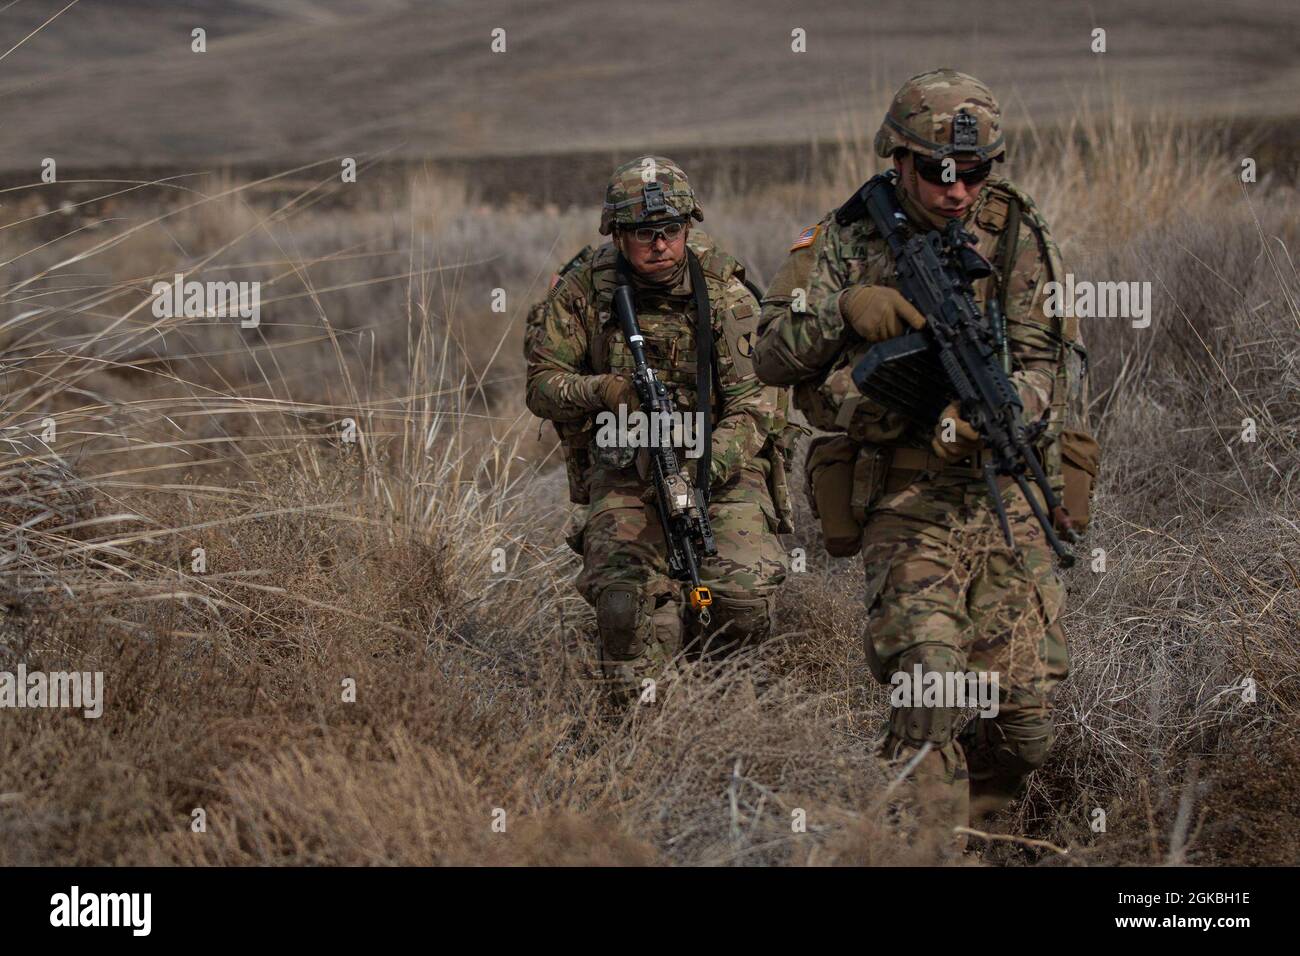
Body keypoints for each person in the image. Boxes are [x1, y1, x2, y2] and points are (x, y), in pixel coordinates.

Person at [753, 69, 1098, 834]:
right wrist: (843, 309)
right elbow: (771, 356)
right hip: (905, 499)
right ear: (898, 160)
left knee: (1023, 730)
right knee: (930, 693)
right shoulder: (846, 237)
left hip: (1003, 492)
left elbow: (1047, 362)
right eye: (940, 172)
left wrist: (1008, 411)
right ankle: (922, 847)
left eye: (973, 173)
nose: (956, 190)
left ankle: (977, 832)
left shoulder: (1016, 233)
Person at [526, 156, 792, 701]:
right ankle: (637, 730)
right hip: (625, 465)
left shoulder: (724, 292)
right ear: (618, 234)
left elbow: (756, 403)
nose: (660, 244)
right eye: (644, 233)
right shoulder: (585, 289)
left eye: (671, 230)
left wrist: (701, 469)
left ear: (688, 227)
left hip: (718, 463)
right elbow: (541, 386)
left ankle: (723, 699)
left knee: (740, 598)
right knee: (627, 609)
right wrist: (606, 391)